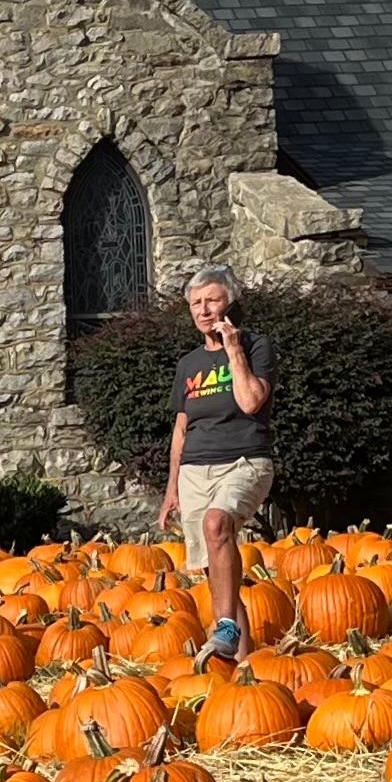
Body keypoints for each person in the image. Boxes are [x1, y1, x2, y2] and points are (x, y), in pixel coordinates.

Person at [161, 266, 276, 668]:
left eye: (213, 300)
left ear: (231, 303)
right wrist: (171, 490)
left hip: (244, 461)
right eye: (196, 303)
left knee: (216, 524)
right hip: (195, 471)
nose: (204, 310)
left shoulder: (256, 347)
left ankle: (225, 626)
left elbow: (250, 402)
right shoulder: (188, 365)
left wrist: (233, 351)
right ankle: (244, 669)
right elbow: (181, 428)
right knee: (216, 577)